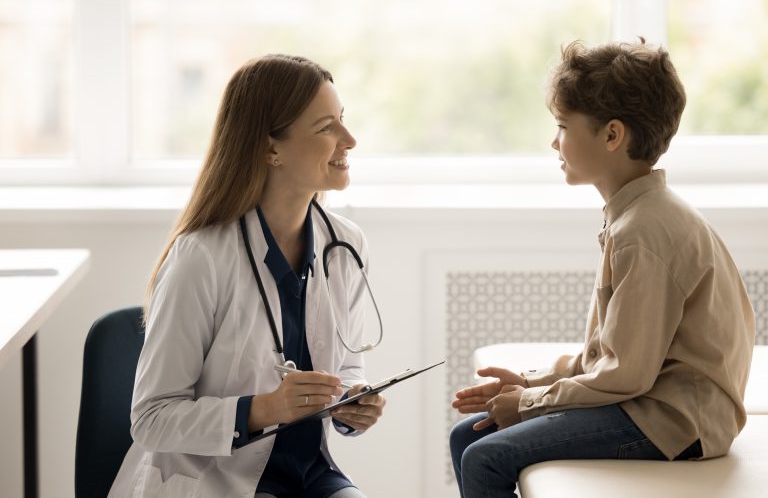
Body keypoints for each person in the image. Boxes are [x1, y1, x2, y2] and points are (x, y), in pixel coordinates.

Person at [449, 38, 756, 498]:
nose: (554, 141)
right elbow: (610, 354)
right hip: (648, 401)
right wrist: (534, 382)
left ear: (612, 136)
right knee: (467, 436)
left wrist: (529, 404)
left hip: (676, 421)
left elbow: (625, 375)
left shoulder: (645, 230)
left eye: (562, 126)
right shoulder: (638, 214)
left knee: (484, 454)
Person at [108, 55, 386, 498]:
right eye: (326, 127)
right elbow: (151, 419)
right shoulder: (201, 257)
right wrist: (261, 410)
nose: (349, 140)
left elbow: (347, 363)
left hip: (309, 473)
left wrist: (353, 401)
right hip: (216, 478)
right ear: (270, 148)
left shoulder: (345, 245)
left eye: (343, 121)